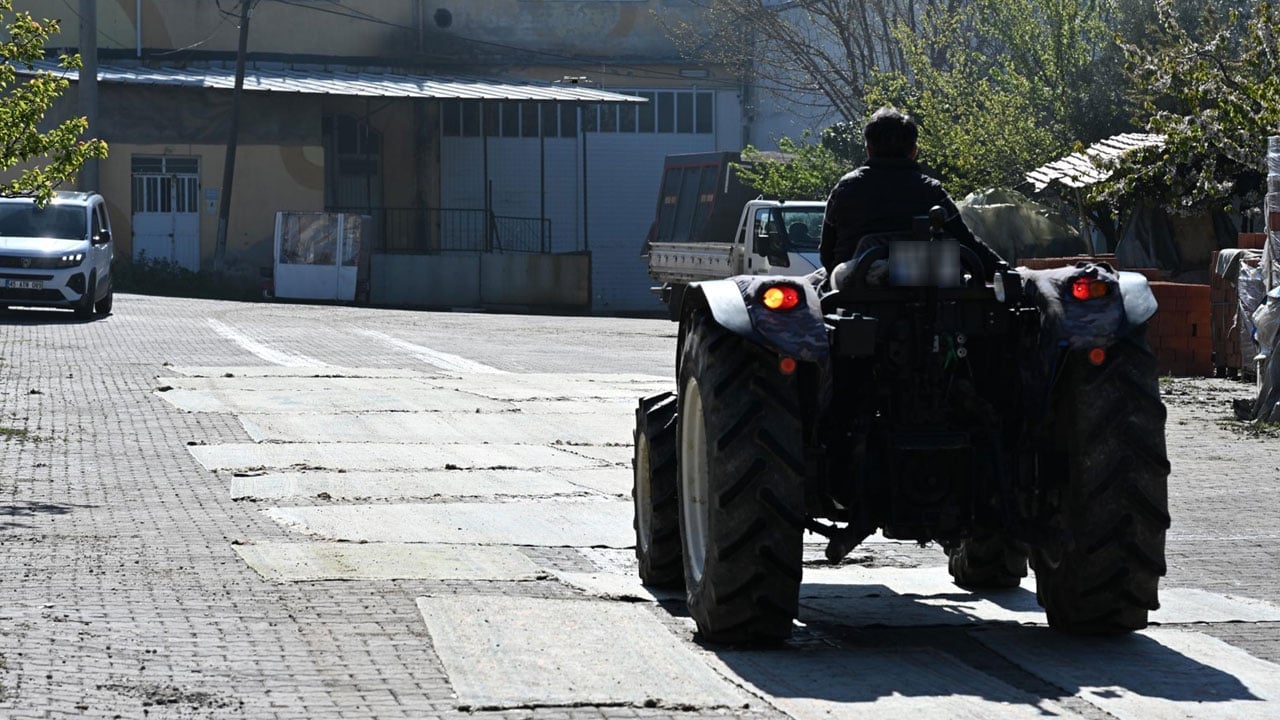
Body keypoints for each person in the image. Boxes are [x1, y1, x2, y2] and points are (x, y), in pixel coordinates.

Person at [819, 106, 1003, 278]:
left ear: (868, 150)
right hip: (931, 299)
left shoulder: (844, 188)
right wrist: (1007, 273)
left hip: (852, 293)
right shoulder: (932, 191)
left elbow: (826, 254)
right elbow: (968, 245)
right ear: (914, 151)